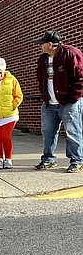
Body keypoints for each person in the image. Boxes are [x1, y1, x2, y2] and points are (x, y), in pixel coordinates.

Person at [33, 30, 83, 173]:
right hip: (49, 103)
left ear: (50, 44)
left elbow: (80, 79)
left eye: (41, 44)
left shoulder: (71, 54)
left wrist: (73, 99)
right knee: (48, 132)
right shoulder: (43, 59)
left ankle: (77, 161)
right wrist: (45, 97)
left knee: (73, 132)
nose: (39, 47)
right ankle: (48, 159)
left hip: (68, 103)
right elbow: (41, 79)